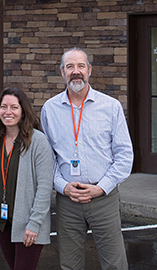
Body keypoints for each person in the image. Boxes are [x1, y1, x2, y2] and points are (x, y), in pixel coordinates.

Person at [40, 48, 134, 270]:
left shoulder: (110, 107)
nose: (76, 72)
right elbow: (46, 159)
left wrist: (102, 188)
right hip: (67, 201)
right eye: (70, 67)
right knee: (69, 264)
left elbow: (124, 155)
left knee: (115, 263)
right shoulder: (49, 109)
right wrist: (63, 187)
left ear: (89, 70)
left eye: (81, 66)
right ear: (62, 72)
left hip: (103, 199)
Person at [0, 87, 54, 270]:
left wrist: (34, 224)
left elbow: (45, 186)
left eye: (14, 107)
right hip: (4, 222)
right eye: (3, 107)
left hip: (28, 223)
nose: (8, 112)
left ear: (23, 111)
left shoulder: (37, 141)